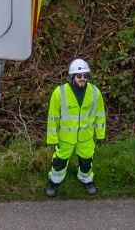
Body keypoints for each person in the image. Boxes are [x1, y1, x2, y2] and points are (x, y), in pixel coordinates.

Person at [45, 58, 107, 197]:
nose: (83, 78)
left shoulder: (95, 92)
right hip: (65, 138)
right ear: (72, 76)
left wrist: (101, 134)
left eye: (85, 75)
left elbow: (100, 115)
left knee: (86, 162)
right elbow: (53, 118)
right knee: (59, 163)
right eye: (79, 76)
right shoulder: (59, 93)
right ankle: (54, 182)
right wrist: (52, 138)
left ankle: (86, 179)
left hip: (86, 137)